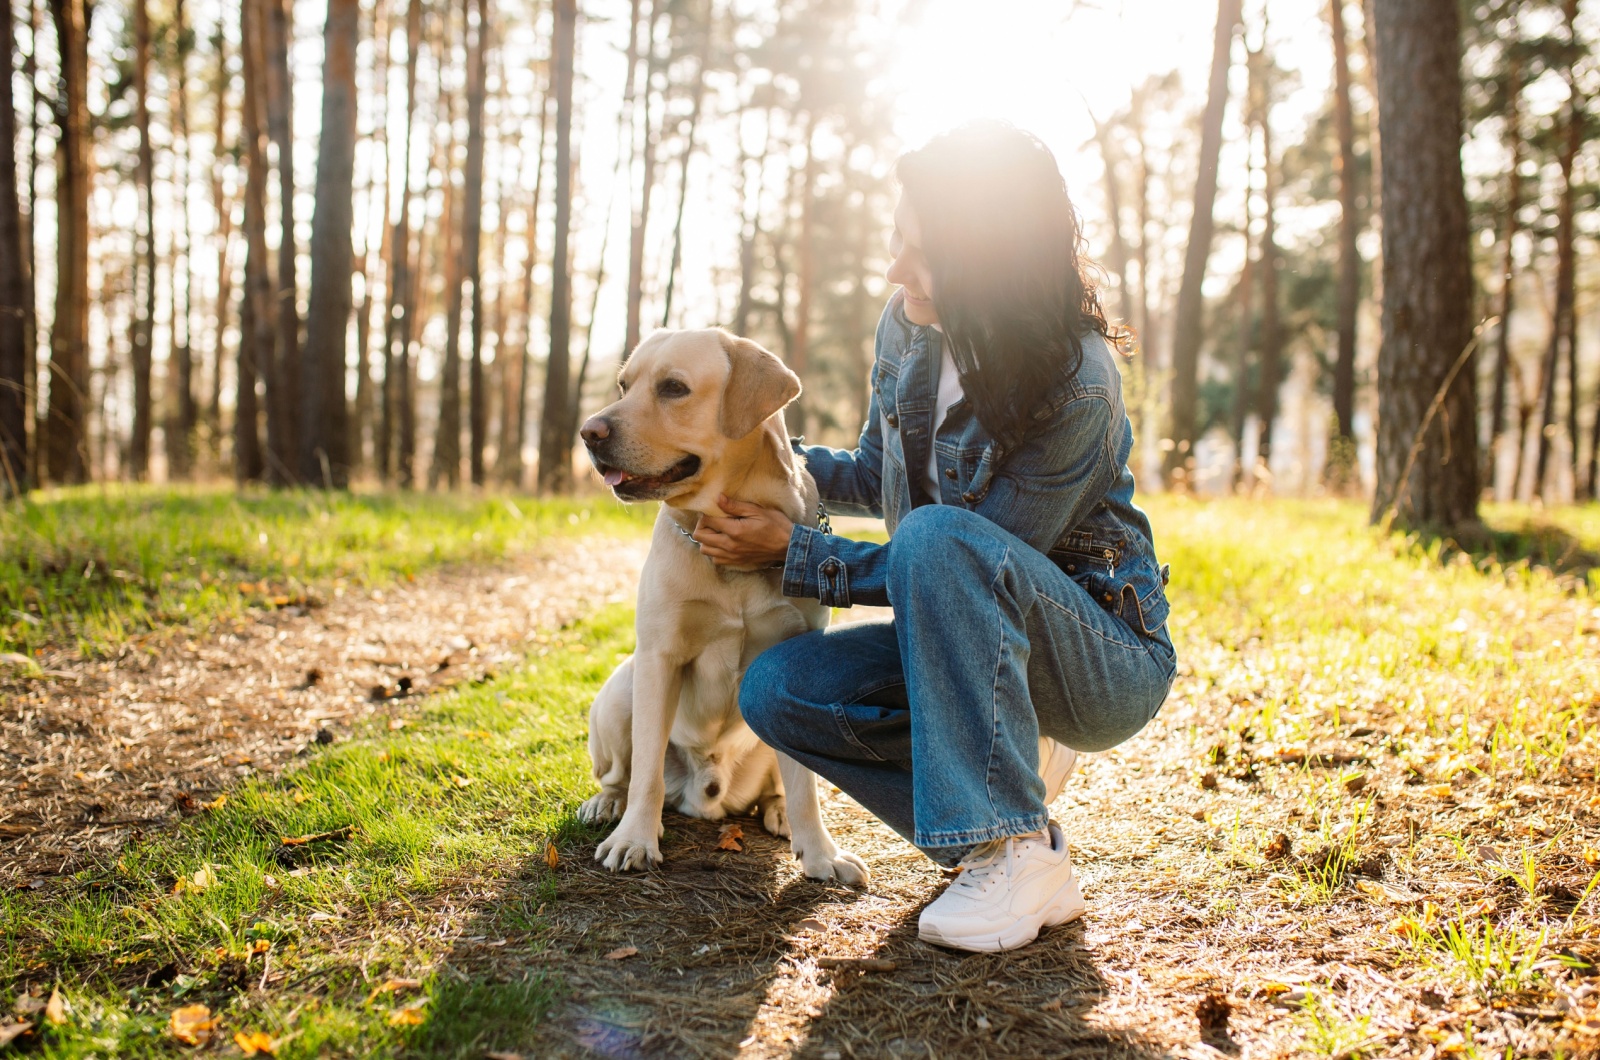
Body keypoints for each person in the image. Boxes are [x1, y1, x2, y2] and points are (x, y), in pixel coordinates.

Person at [690, 121, 1176, 953]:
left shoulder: (1080, 388)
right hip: (967, 636)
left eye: (923, 252)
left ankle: (1016, 847)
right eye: (895, 240)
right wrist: (753, 461)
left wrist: (796, 554)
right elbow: (877, 471)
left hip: (1099, 658)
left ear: (991, 262)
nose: (894, 270)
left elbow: (953, 560)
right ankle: (998, 815)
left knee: (937, 542)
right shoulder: (910, 325)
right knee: (775, 690)